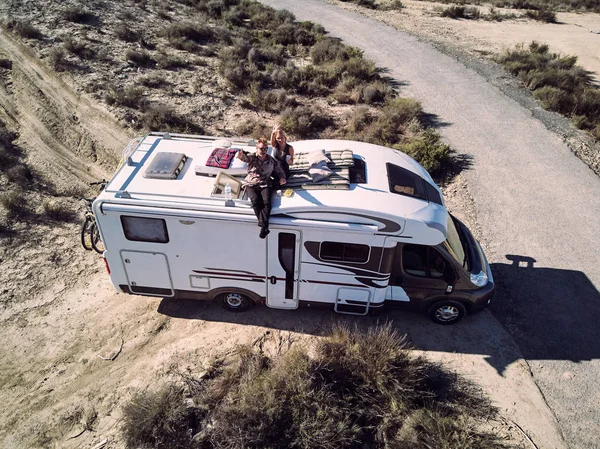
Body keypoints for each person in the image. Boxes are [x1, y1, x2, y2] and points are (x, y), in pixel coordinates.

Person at [237, 137, 287, 239]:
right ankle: (264, 225)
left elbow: (279, 170)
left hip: (265, 183)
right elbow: (245, 158)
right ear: (257, 148)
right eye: (261, 149)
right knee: (255, 200)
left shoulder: (271, 160)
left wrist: (282, 177)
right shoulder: (253, 157)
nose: (263, 151)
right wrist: (241, 156)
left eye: (265, 149)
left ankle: (263, 225)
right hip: (251, 183)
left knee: (267, 202)